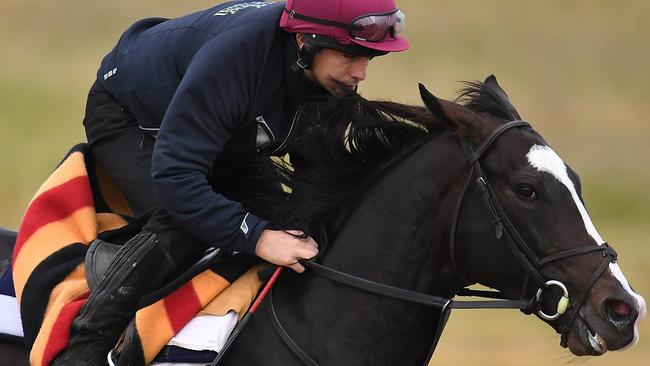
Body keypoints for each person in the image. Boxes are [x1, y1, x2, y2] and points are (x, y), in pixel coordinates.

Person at [53, 0, 409, 364]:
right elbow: (177, 178)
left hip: (223, 127)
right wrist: (257, 237)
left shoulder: (321, 71)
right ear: (305, 40)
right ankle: (87, 342)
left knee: (285, 224)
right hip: (127, 114)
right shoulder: (235, 59)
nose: (361, 73)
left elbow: (312, 175)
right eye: (351, 56)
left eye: (369, 59)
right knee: (184, 221)